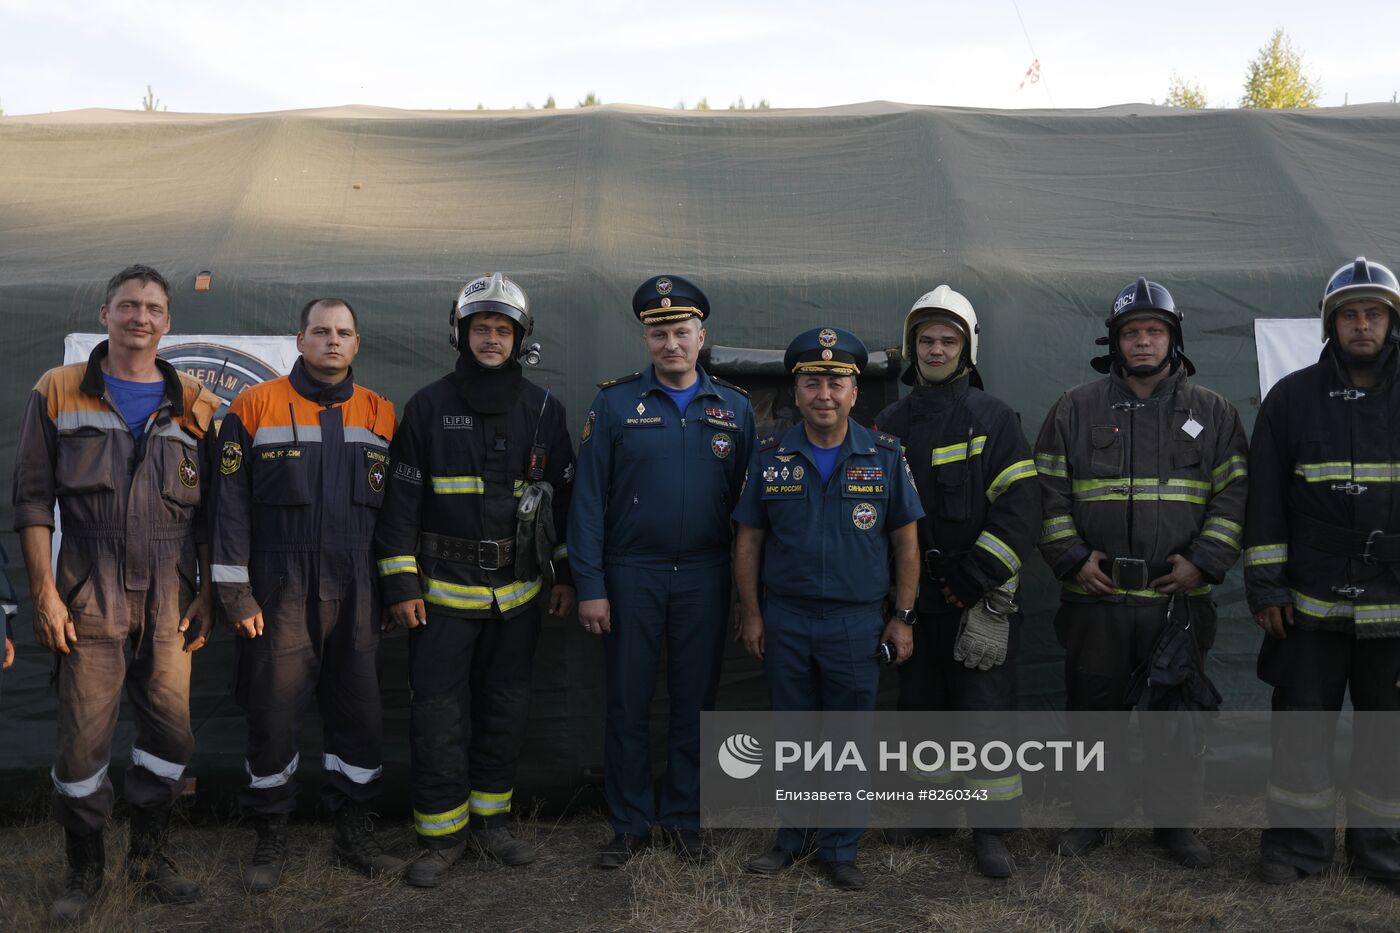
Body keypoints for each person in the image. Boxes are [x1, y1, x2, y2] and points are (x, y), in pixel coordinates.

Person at [12, 265, 219, 923]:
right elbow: (32, 500)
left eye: (154, 307)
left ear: (168, 321)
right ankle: (85, 868)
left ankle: (150, 857)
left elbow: (216, 512)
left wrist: (210, 591)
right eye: (129, 305)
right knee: (81, 742)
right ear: (105, 314)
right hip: (87, 588)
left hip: (171, 590)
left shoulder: (197, 402)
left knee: (170, 732)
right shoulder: (58, 389)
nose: (141, 317)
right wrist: (44, 592)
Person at [1034, 277, 1247, 868]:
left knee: (1175, 722)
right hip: (1095, 600)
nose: (1144, 341)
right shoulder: (1074, 409)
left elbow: (1234, 498)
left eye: (1155, 330)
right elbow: (1048, 494)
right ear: (1115, 341)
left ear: (1173, 339)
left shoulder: (1214, 414)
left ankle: (1174, 827)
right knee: (1092, 716)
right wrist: (1074, 560)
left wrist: (1202, 562)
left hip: (1176, 600)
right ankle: (1092, 820)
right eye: (1132, 332)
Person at [374, 273, 576, 887]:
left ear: (521, 339)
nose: (492, 339)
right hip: (440, 597)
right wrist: (402, 586)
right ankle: (441, 836)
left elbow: (563, 501)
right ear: (460, 335)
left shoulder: (545, 409)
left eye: (503, 330)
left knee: (505, 709)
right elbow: (400, 507)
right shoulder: (428, 406)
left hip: (519, 596)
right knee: (438, 715)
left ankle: (493, 825)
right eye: (481, 329)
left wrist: (562, 576)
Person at [210, 298, 401, 891]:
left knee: (362, 715)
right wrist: (235, 592)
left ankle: (355, 832)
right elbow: (228, 507)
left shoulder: (380, 414)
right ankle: (271, 835)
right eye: (321, 332)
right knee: (272, 714)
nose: (333, 342)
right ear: (300, 340)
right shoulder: (253, 405)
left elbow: (396, 514)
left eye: (344, 333)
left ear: (357, 343)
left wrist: (395, 587)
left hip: (359, 588)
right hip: (279, 585)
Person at [569, 275, 755, 867]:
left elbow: (751, 512)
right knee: (626, 701)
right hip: (632, 576)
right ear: (646, 338)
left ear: (702, 336)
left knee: (696, 703)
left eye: (681, 331)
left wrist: (744, 595)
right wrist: (591, 586)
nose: (670, 343)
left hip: (706, 576)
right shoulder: (616, 403)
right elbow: (589, 501)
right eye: (658, 333)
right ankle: (628, 823)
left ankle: (683, 819)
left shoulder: (735, 408)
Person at [735, 326, 924, 890]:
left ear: (854, 392)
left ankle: (840, 848)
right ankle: (792, 839)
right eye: (812, 381)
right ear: (795, 392)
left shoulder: (885, 457)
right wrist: (751, 613)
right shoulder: (769, 459)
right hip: (786, 618)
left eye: (836, 382)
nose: (824, 393)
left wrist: (904, 616)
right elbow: (748, 542)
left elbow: (906, 543)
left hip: (856, 621)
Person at [872, 286, 1040, 877]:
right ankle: (933, 813)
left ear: (967, 349)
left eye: (948, 340)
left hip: (976, 596)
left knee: (984, 713)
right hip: (916, 598)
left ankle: (991, 831)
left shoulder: (993, 418)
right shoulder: (888, 423)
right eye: (926, 340)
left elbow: (1020, 509)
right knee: (922, 707)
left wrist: (973, 578)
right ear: (911, 347)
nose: (936, 349)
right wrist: (900, 593)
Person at [1245, 257, 1400, 894]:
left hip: (1395, 605)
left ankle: (1383, 852)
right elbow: (1265, 502)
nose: (1361, 325)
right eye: (1349, 315)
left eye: (1374, 314)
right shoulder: (1290, 399)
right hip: (1307, 605)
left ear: (1392, 322)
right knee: (1301, 730)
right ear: (1330, 325)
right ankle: (1296, 848)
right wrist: (1266, 587)